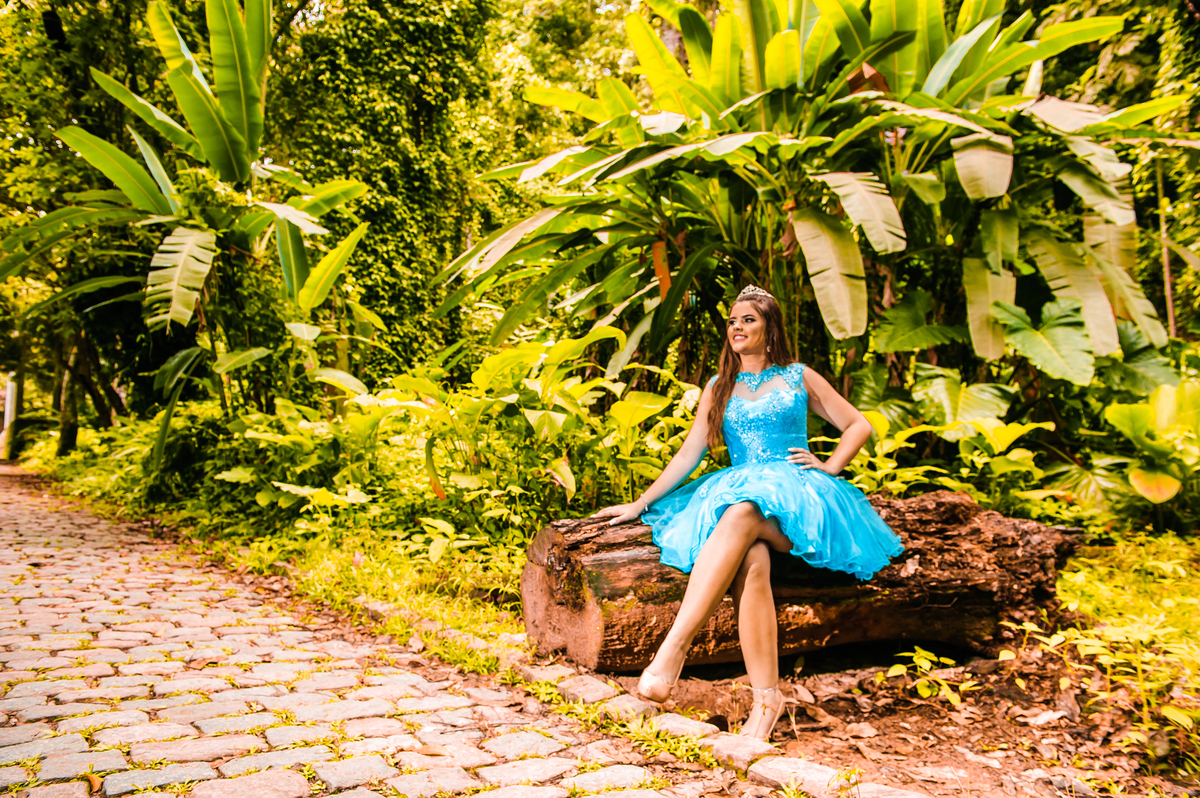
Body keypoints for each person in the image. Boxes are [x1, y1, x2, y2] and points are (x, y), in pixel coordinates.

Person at [591, 285, 904, 741]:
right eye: (733, 321)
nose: (737, 327)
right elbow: (690, 452)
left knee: (741, 515)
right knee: (751, 559)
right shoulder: (719, 386)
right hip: (740, 488)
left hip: (797, 497)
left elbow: (858, 424)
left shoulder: (799, 376)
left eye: (748, 320)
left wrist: (830, 465)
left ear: (769, 328)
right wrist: (641, 502)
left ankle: (674, 648)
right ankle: (767, 702)